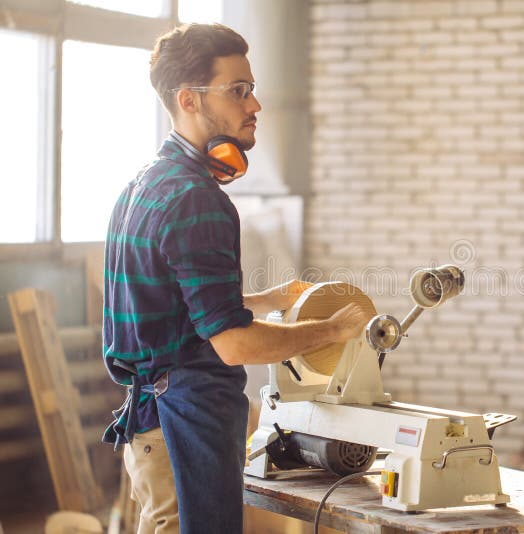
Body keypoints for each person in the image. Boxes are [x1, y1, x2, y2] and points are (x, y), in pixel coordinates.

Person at [101, 23, 370, 534]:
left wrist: (260, 299)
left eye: (252, 89)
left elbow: (176, 306)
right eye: (238, 90)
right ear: (189, 100)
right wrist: (330, 332)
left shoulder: (144, 182)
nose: (256, 105)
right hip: (183, 423)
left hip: (152, 425)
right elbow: (234, 344)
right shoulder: (198, 199)